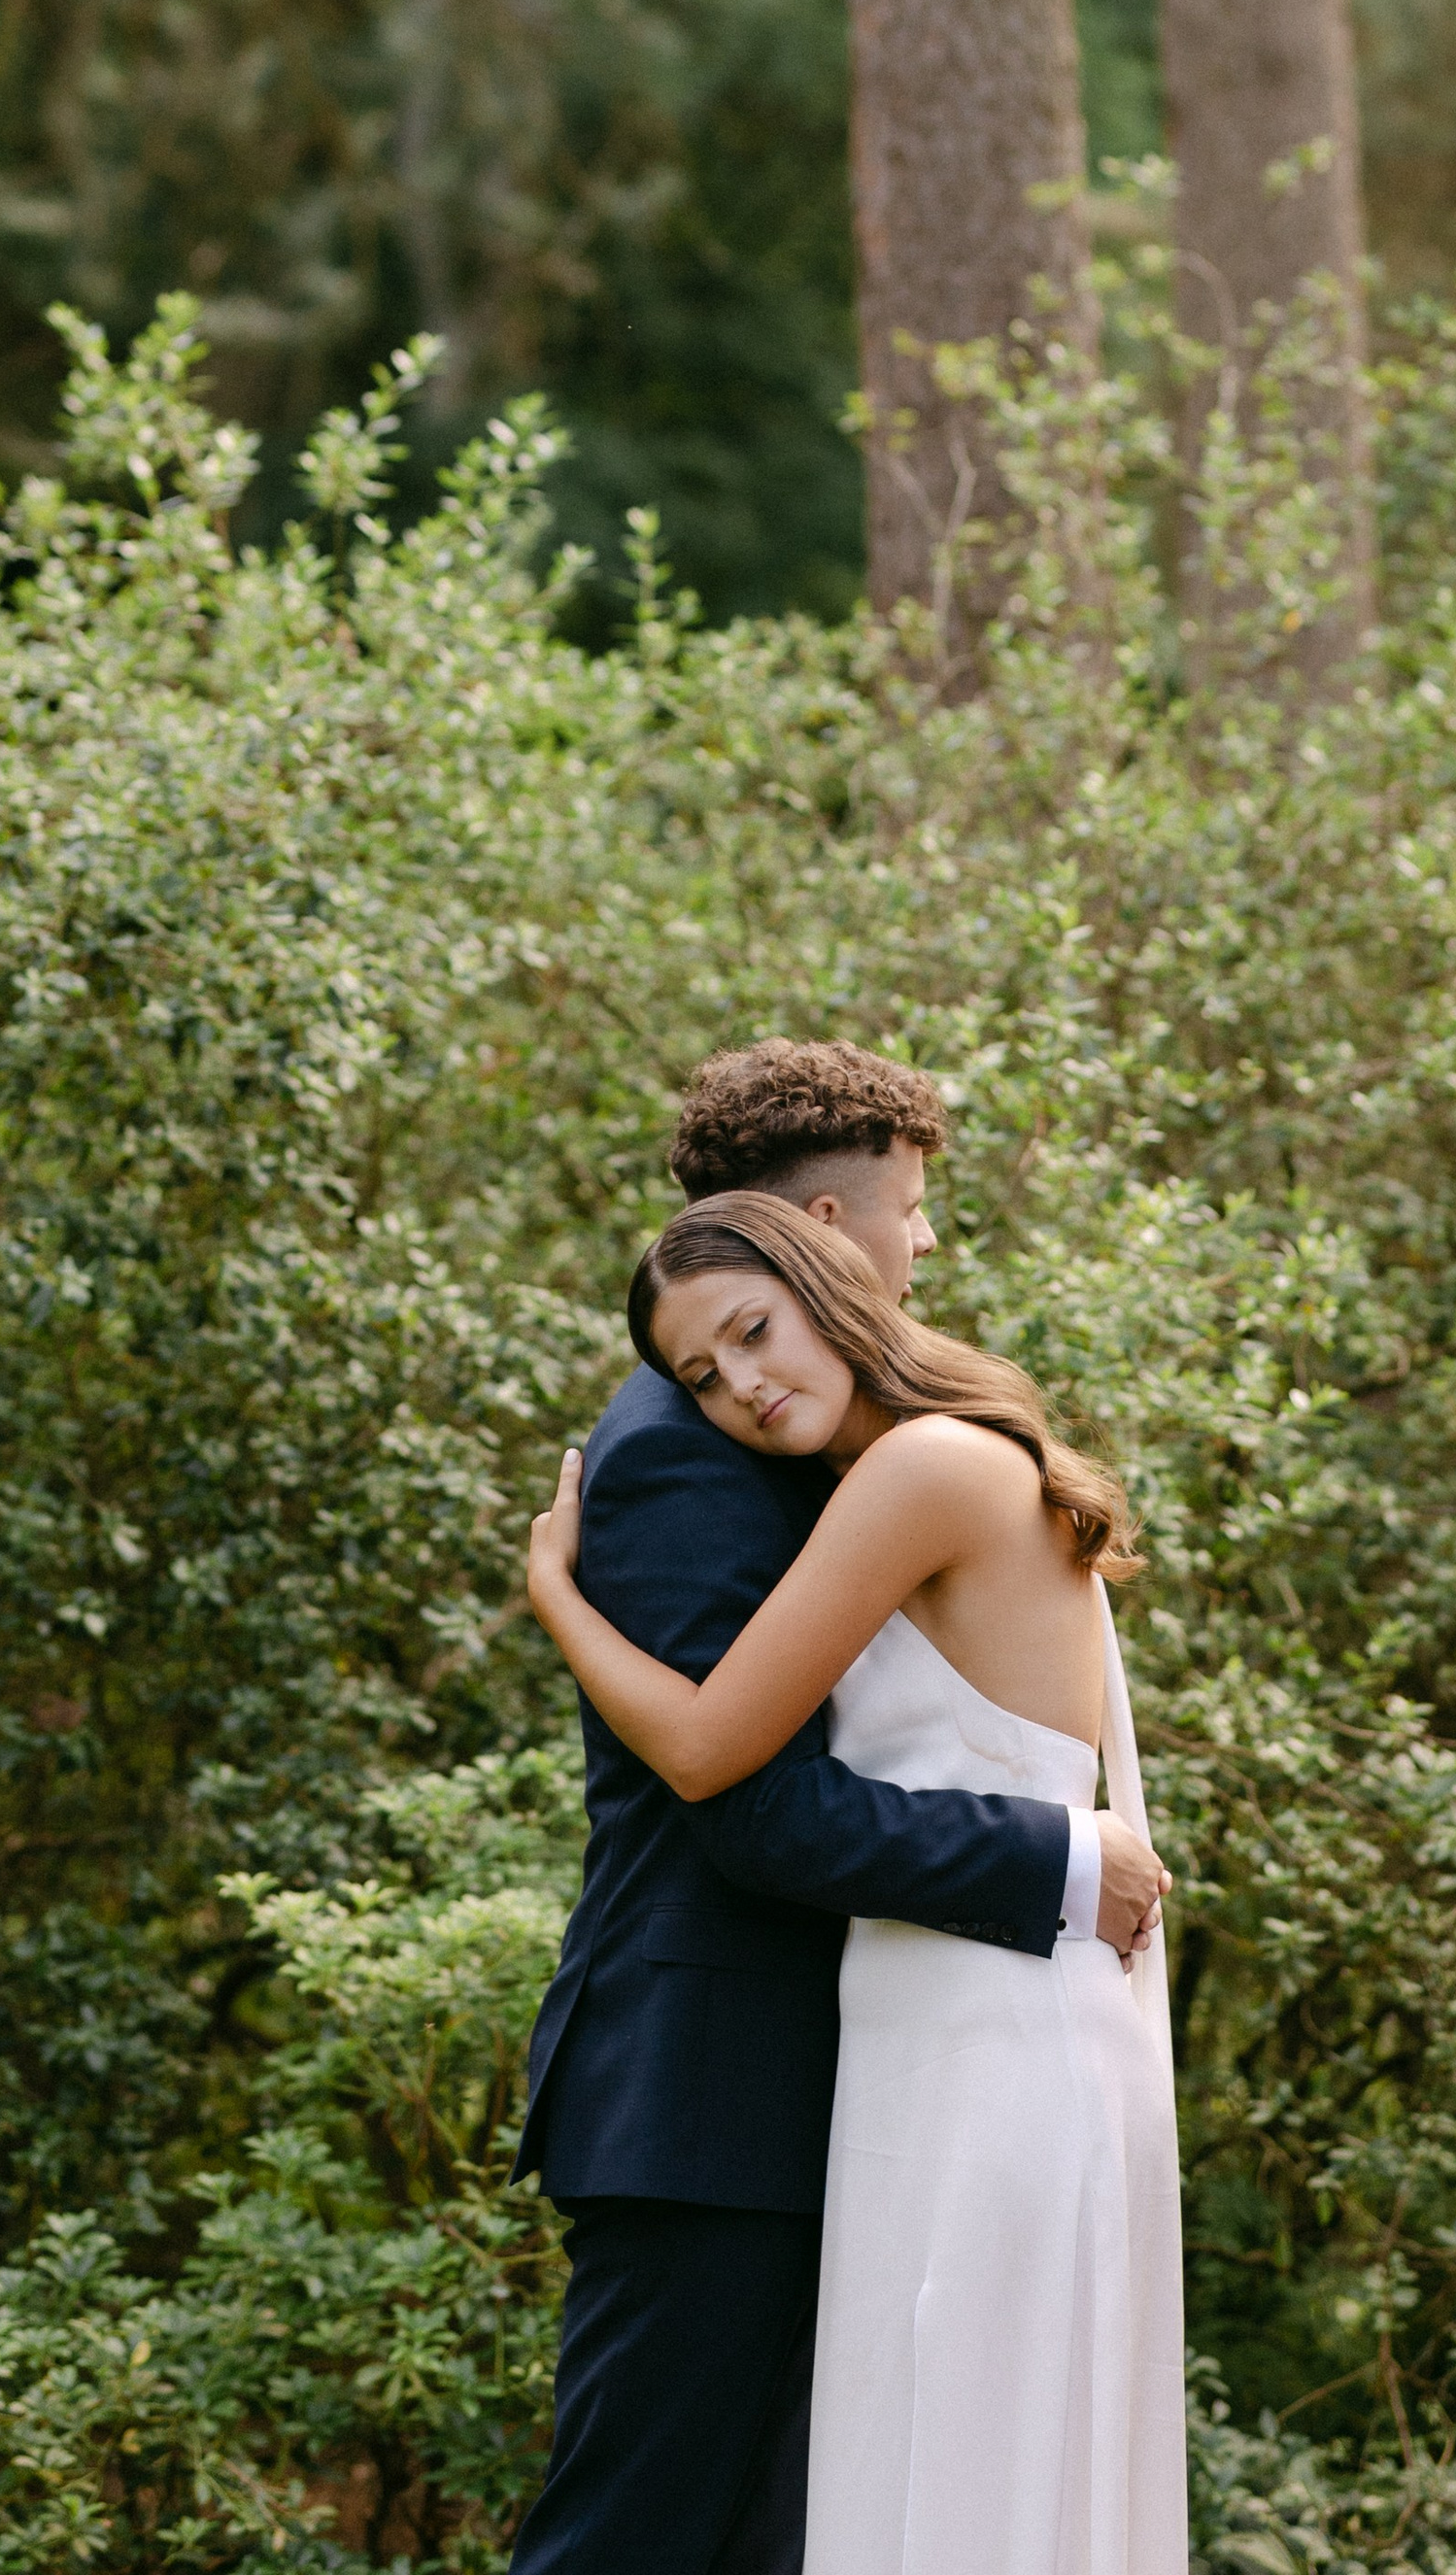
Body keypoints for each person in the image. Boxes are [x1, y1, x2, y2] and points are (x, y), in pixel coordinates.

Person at [507, 1041, 1169, 2575]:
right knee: (636, 2540)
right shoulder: (685, 1454)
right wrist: (1057, 1857)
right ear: (821, 1221)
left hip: (896, 2068)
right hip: (709, 2094)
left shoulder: (877, 1452)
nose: (923, 1241)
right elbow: (742, 1800)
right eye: (912, 1207)